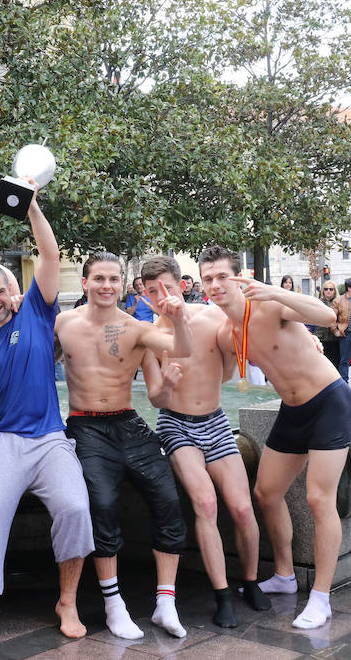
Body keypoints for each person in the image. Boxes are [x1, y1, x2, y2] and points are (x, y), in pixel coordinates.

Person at [0, 183, 95, 645]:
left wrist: (32, 207)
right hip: (0, 442)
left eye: (0, 292)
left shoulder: (35, 312)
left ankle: (67, 601)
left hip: (50, 438)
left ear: (11, 290)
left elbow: (50, 257)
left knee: (75, 506)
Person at [199, 245, 351, 629]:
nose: (216, 285)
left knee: (319, 499)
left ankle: (320, 597)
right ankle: (284, 575)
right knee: (266, 493)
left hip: (329, 401)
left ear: (238, 276)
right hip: (292, 410)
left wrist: (274, 290)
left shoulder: (268, 305)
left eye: (222, 276)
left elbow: (327, 315)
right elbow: (215, 371)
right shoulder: (224, 329)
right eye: (208, 278)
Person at [56, 252, 191, 640]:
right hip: (84, 426)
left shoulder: (136, 328)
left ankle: (166, 601)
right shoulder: (64, 324)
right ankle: (114, 604)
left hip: (128, 422)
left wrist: (179, 319)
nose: (106, 286)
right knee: (103, 504)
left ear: (122, 284)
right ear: (84, 283)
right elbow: (29, 361)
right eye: (99, 279)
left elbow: (178, 356)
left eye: (114, 279)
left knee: (167, 496)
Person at [139, 256, 270, 628]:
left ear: (181, 286)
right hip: (176, 426)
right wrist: (165, 385)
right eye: (151, 291)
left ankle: (250, 581)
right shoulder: (150, 335)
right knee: (206, 504)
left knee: (243, 510)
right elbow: (155, 400)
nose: (159, 297)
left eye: (165, 287)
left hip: (214, 421)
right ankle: (222, 594)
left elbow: (233, 361)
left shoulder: (212, 318)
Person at [311, 281, 341, 370]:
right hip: (321, 338)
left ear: (335, 291)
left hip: (335, 338)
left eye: (331, 289)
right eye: (326, 289)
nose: (328, 291)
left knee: (336, 365)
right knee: (322, 366)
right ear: (323, 291)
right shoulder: (318, 302)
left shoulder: (339, 303)